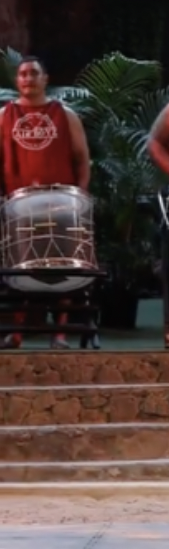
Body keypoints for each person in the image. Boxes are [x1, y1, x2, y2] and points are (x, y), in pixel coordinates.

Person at [0, 56, 92, 350]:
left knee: (61, 267)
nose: (28, 78)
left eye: (33, 73)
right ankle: (16, 332)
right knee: (18, 268)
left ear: (45, 79)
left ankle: (60, 333)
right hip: (17, 206)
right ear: (17, 81)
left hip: (61, 205)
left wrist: (79, 198)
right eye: (23, 74)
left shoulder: (66, 115)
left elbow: (82, 159)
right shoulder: (4, 115)